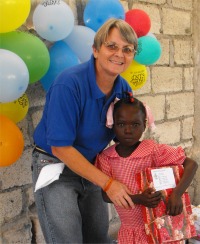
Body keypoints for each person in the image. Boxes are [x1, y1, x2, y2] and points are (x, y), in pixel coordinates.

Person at [32, 18, 138, 243]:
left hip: (92, 165)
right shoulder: (69, 84)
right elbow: (60, 148)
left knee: (98, 238)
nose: (120, 54)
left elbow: (125, 139)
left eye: (127, 50)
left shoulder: (124, 89)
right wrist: (108, 183)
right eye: (112, 46)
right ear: (95, 50)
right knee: (67, 239)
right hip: (55, 165)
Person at [95, 92, 198, 244]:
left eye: (135, 124)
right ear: (112, 124)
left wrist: (176, 194)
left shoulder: (153, 151)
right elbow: (105, 195)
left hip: (160, 228)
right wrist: (138, 199)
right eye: (121, 124)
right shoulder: (106, 158)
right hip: (131, 232)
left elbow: (191, 164)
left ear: (144, 124)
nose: (128, 130)